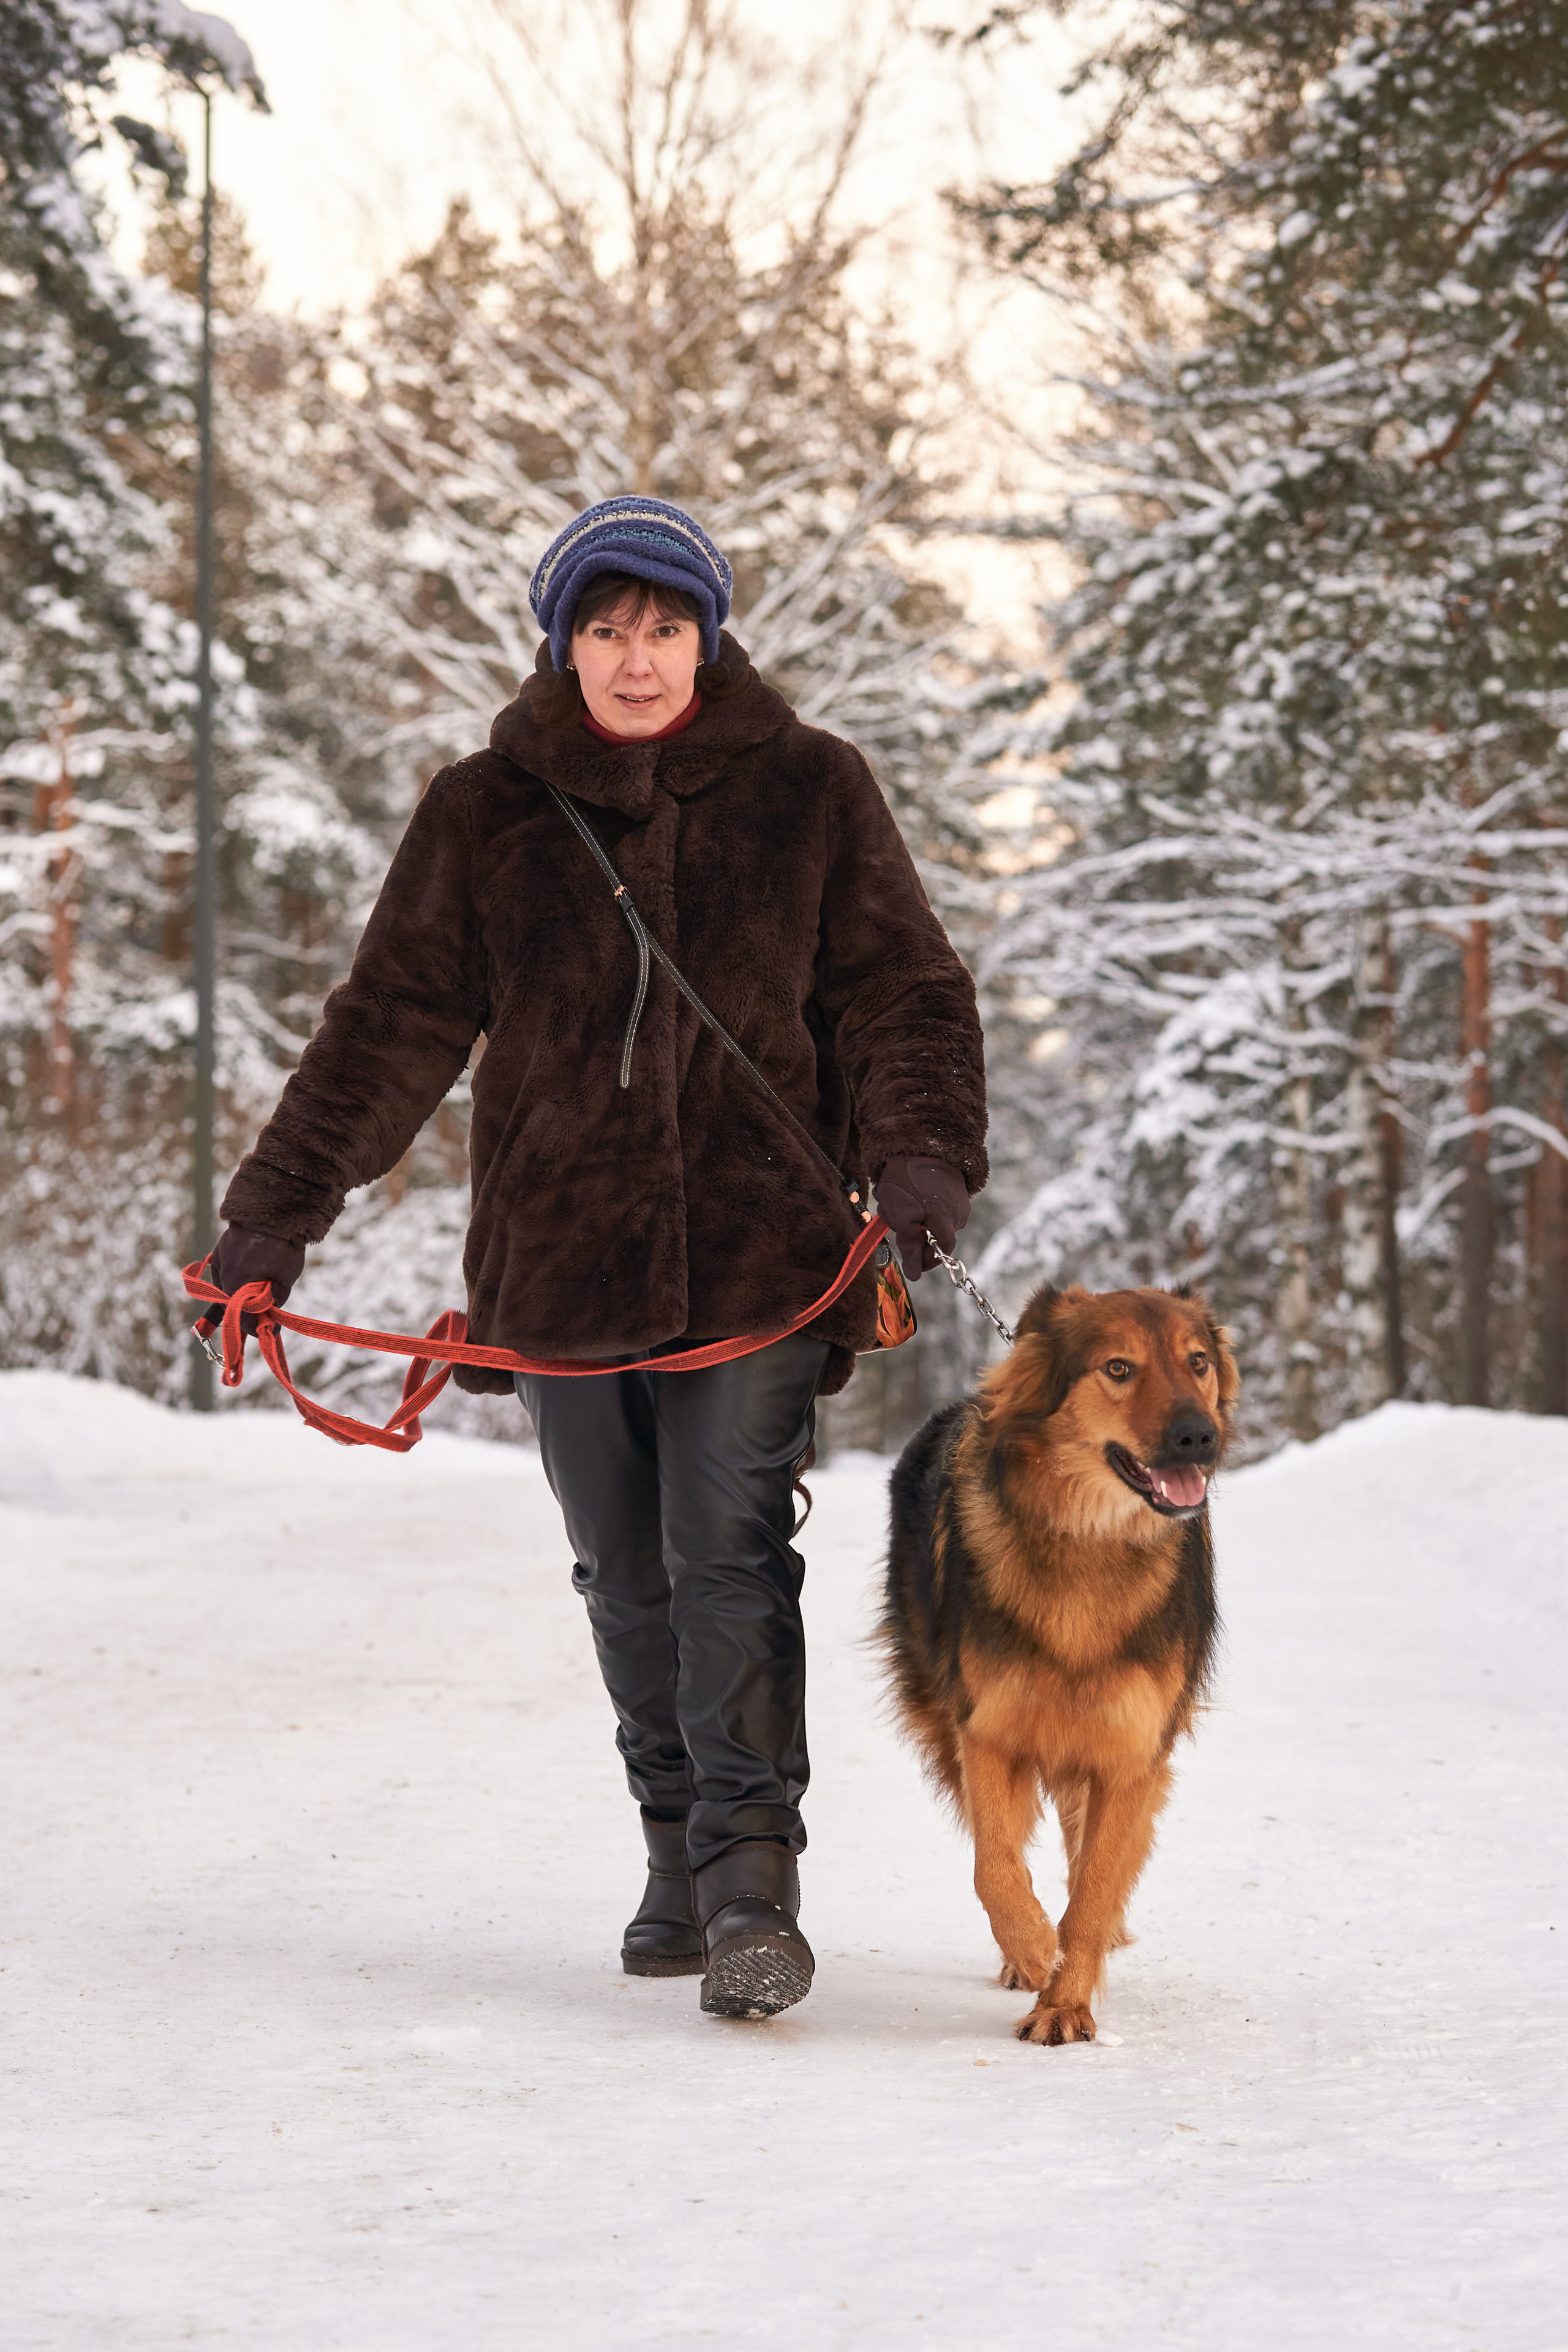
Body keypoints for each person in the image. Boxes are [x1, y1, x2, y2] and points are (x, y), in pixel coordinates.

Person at [207, 496, 988, 2019]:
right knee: (623, 1573)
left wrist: (919, 1155)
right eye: (607, 629)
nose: (637, 660)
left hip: (765, 1258)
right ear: (562, 641)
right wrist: (274, 1213)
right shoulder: (483, 809)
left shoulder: (812, 789)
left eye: (666, 628)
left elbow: (904, 989)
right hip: (559, 1263)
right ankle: (674, 1841)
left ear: (710, 635)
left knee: (727, 1553)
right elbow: (386, 1032)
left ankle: (754, 1878)